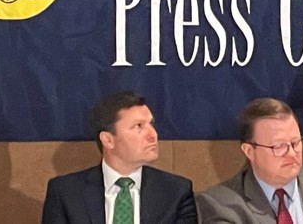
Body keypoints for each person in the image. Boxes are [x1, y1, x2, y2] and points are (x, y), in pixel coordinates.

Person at [42, 91, 197, 223]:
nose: (153, 135)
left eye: (151, 124)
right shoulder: (65, 192)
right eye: (139, 126)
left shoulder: (176, 191)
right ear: (108, 139)